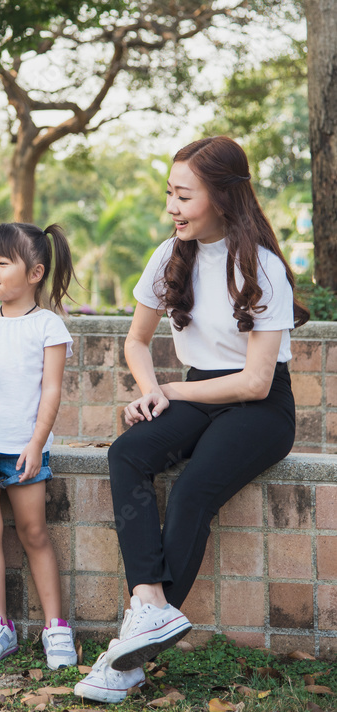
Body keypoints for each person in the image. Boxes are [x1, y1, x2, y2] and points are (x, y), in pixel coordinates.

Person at [75, 136, 309, 705]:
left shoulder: (263, 267)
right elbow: (135, 341)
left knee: (192, 490)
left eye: (184, 196)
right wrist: (151, 392)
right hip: (197, 390)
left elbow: (255, 382)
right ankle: (150, 604)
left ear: (223, 197)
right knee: (128, 453)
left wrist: (173, 389)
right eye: (169, 195)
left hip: (260, 407)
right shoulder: (169, 255)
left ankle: (126, 658)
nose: (172, 208)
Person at [0, 222, 78, 670]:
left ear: (35, 273)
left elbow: (51, 391)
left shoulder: (48, 326)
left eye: (3, 262)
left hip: (24, 451)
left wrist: (36, 443)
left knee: (34, 533)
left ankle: (55, 628)